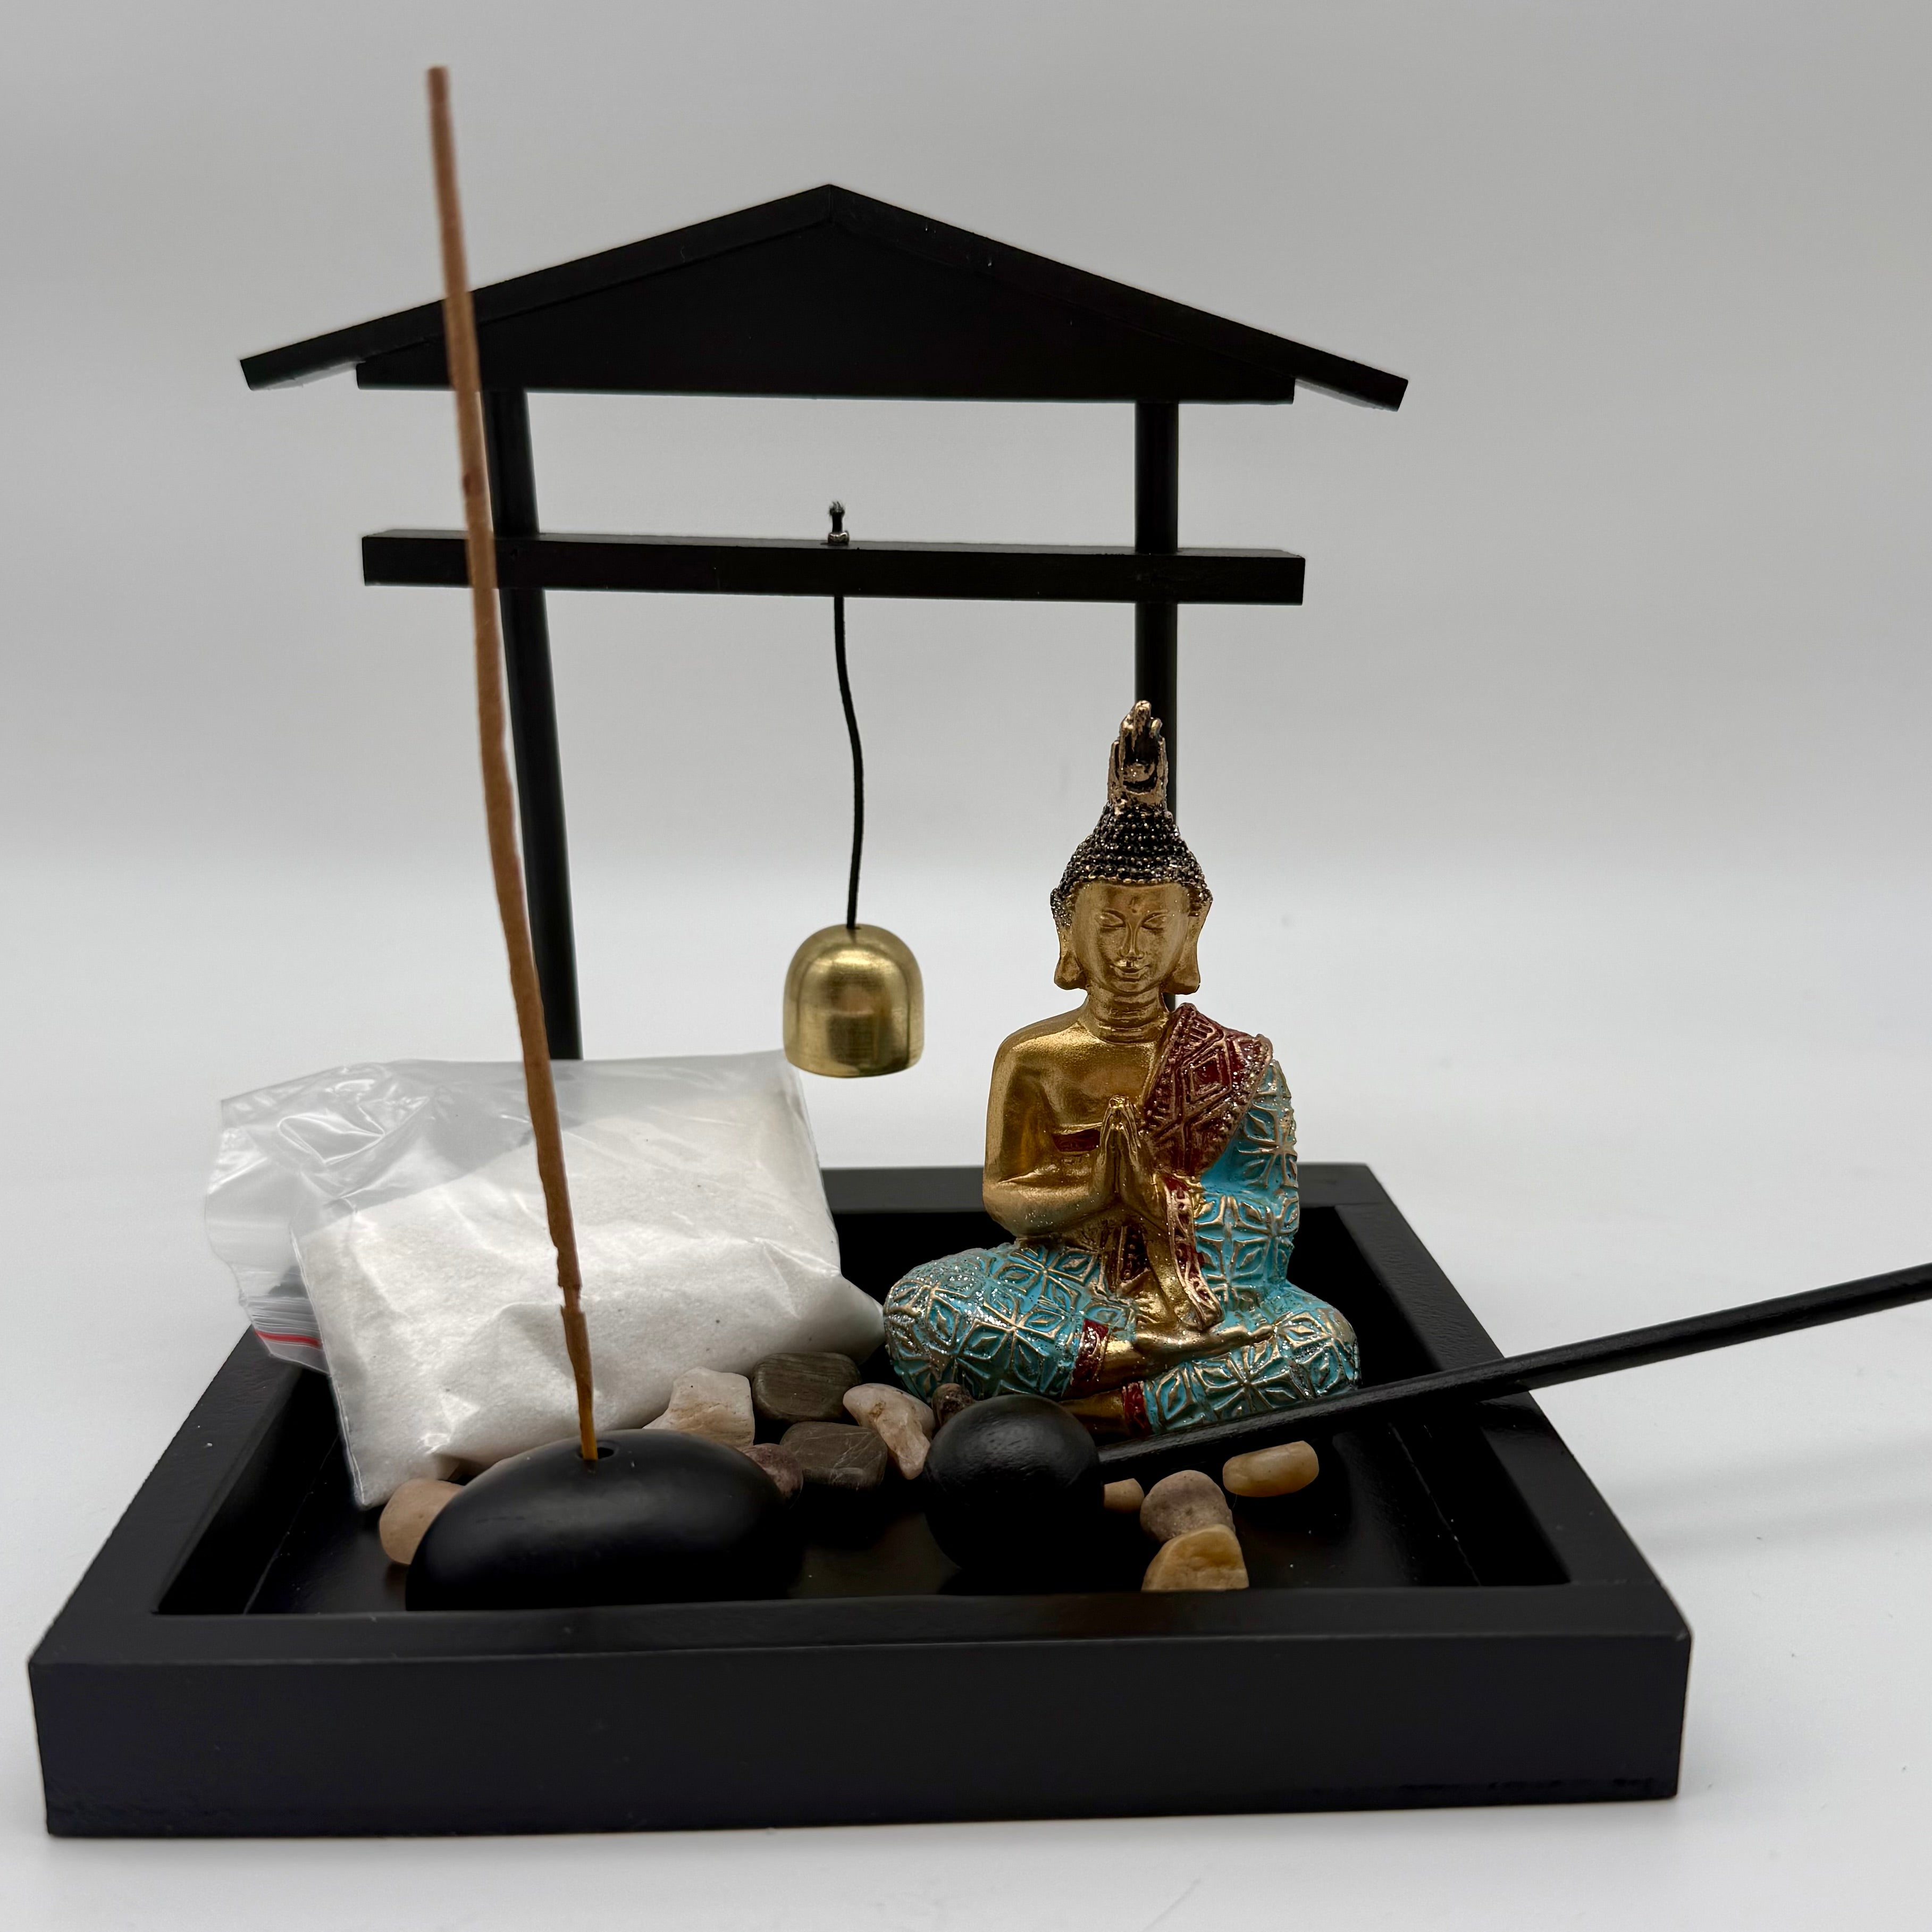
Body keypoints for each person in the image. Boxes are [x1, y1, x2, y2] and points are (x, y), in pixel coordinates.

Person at [884, 703, 1358, 1435]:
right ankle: (1143, 1374)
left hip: (1198, 1300)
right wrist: (1097, 1192)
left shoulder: (1238, 1064)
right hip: (1057, 1282)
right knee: (918, 1305)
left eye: (1153, 925)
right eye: (1109, 924)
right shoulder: (1032, 1056)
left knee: (1323, 1345)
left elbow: (1269, 1217)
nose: (1131, 952)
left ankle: (1088, 1409)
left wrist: (1156, 1199)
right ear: (1067, 928)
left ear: (1190, 930)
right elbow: (1004, 1196)